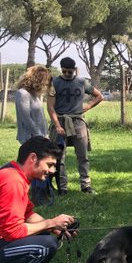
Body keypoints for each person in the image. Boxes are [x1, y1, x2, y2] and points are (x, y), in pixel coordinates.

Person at [0, 136, 76, 263]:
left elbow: (27, 214)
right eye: (49, 165)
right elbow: (12, 231)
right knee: (45, 246)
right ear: (33, 158)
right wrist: (50, 222)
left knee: (44, 234)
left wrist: (53, 227)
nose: (52, 170)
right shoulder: (13, 182)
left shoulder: (13, 173)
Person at [47, 57, 103, 195]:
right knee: (60, 157)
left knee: (82, 155)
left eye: (69, 72)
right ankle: (63, 187)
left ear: (74, 70)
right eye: (64, 71)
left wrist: (88, 106)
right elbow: (50, 107)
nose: (67, 74)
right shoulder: (54, 83)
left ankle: (86, 185)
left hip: (78, 122)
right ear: (61, 70)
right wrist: (57, 125)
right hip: (60, 121)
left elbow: (99, 96)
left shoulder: (82, 82)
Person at [14, 65, 51, 145]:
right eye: (44, 80)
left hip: (40, 136)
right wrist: (38, 134)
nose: (45, 83)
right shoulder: (23, 93)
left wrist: (45, 134)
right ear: (37, 79)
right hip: (30, 138)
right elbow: (26, 118)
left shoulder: (34, 94)